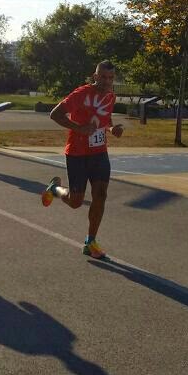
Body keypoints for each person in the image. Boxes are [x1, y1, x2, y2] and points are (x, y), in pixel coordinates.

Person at [41, 60, 124, 260]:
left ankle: (90, 241)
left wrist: (112, 129)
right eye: (103, 77)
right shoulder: (81, 94)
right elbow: (55, 114)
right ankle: (55, 189)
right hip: (77, 153)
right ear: (95, 76)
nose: (107, 81)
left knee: (101, 194)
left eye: (111, 78)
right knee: (76, 202)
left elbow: (105, 117)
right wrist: (79, 128)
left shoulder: (110, 96)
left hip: (99, 153)